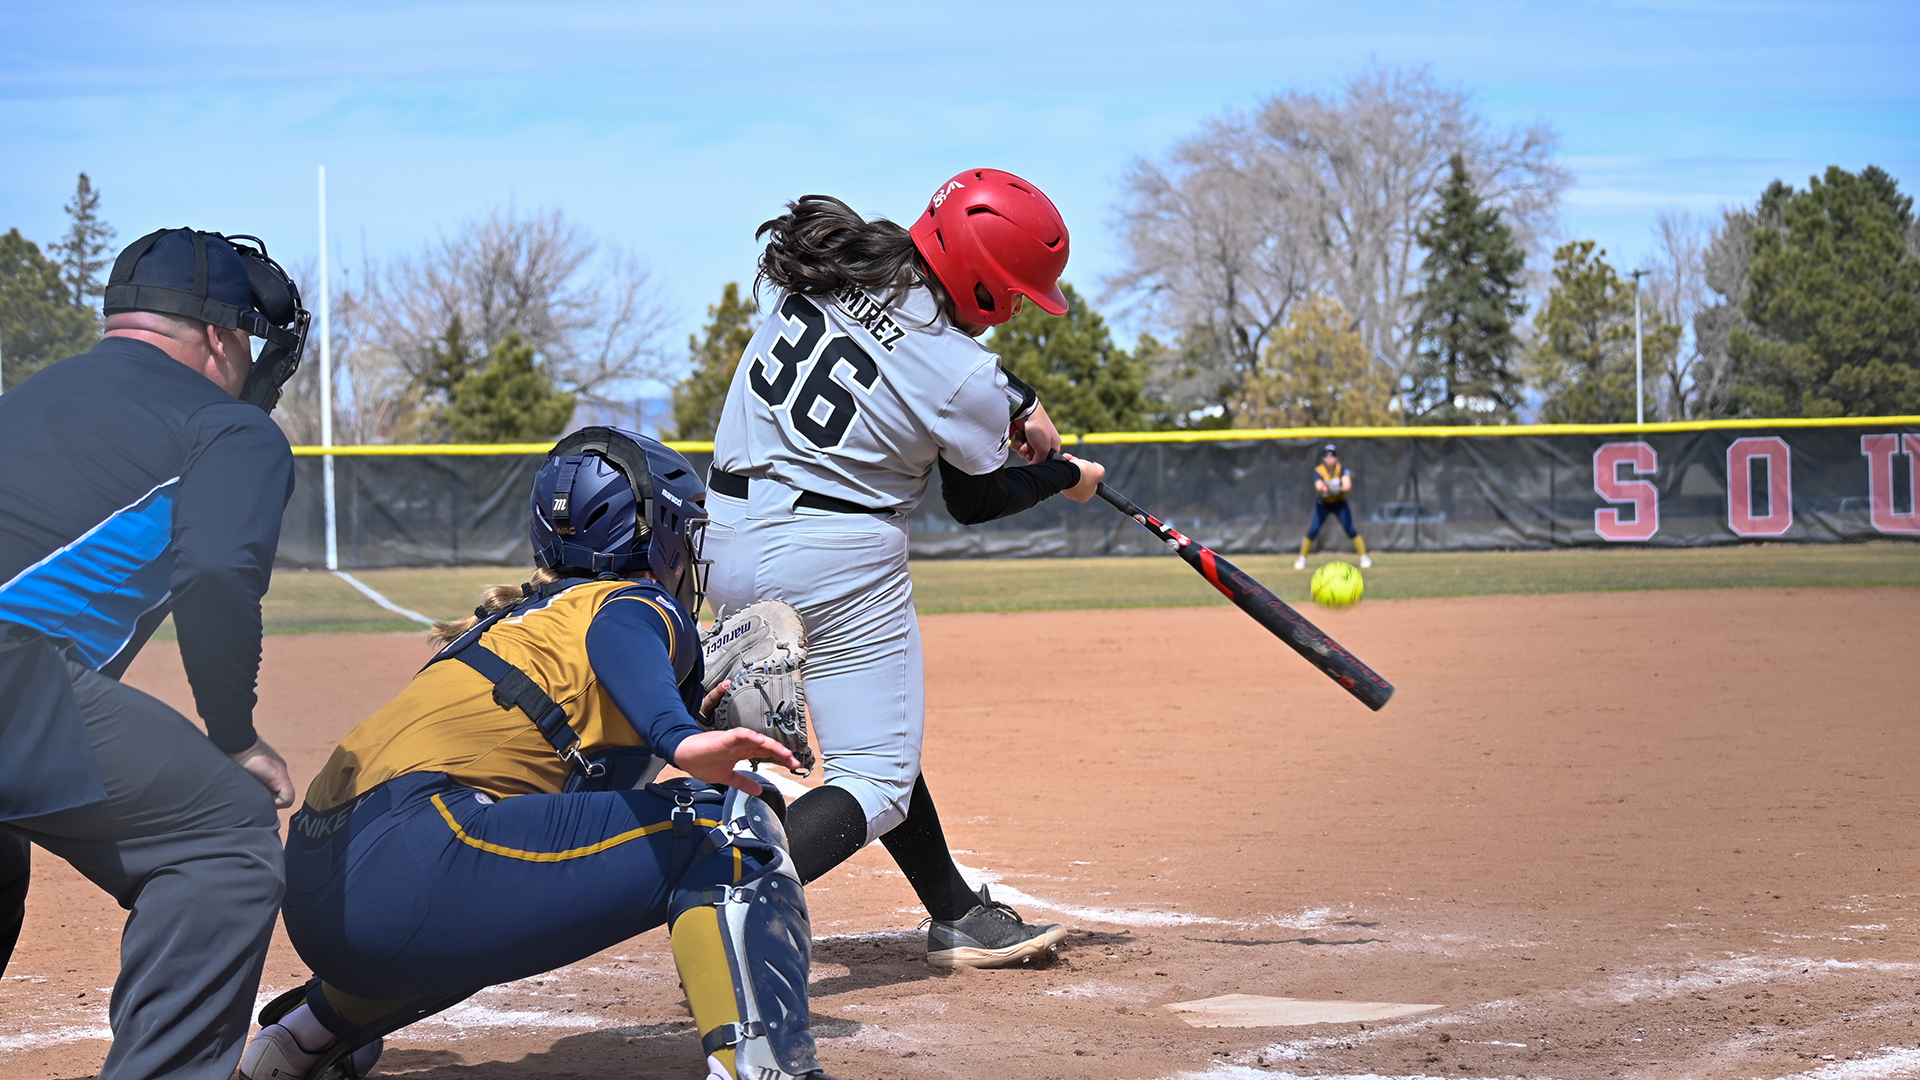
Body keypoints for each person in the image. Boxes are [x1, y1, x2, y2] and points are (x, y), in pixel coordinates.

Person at [240, 428, 850, 1080]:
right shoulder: (632, 601)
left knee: (487, 900)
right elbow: (623, 637)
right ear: (655, 531)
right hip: (415, 857)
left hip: (319, 888)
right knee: (729, 827)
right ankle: (769, 1072)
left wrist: (687, 717)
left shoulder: (512, 621)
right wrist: (682, 737)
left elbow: (578, 758)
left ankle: (301, 1040)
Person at [704, 169, 1106, 969]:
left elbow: (907, 347)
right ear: (984, 282)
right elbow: (975, 500)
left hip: (723, 539)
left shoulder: (832, 271)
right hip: (833, 557)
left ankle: (956, 912)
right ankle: (719, 899)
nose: (1021, 303)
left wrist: (1014, 400)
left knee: (873, 732)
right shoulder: (963, 373)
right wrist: (1066, 477)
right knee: (876, 777)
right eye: (1017, 290)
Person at [0, 228, 309, 1080]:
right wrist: (233, 734)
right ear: (219, 336)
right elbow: (215, 570)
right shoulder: (226, 425)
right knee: (223, 840)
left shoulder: (31, 397)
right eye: (246, 340)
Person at [1295, 443, 1371, 569]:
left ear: (1337, 457)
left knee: (1351, 529)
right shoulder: (1319, 470)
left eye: (1332, 455)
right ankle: (1302, 559)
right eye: (1327, 455)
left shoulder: (1342, 469)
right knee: (1313, 530)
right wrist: (1328, 488)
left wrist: (1336, 489)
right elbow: (1320, 487)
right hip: (1323, 504)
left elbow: (1347, 485)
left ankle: (1364, 557)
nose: (1330, 458)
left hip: (1339, 503)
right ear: (1323, 458)